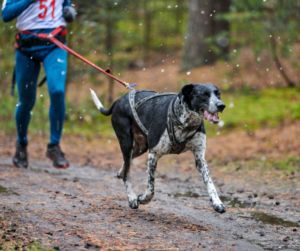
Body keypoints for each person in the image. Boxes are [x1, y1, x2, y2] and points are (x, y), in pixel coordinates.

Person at [1, 0, 76, 169]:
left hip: (55, 44)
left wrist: (70, 12)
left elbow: (66, 5)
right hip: (26, 48)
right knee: (26, 101)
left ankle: (54, 146)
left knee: (57, 91)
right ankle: (21, 145)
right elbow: (5, 15)